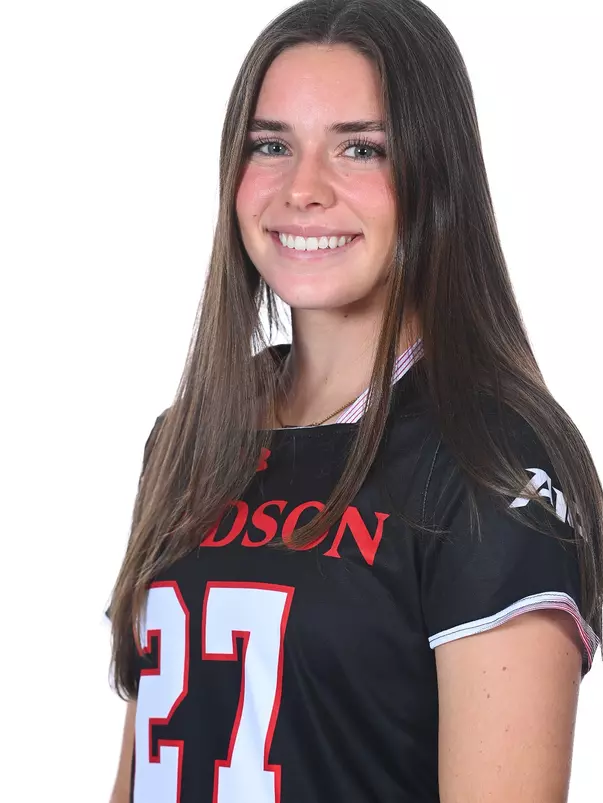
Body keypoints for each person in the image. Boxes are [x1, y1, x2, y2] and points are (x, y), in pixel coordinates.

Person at [106, 1, 603, 801]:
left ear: (433, 175)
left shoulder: (487, 458)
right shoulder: (186, 440)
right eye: (271, 145)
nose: (302, 190)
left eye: (360, 148)